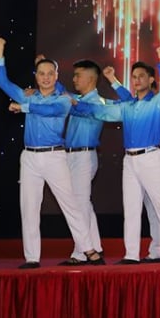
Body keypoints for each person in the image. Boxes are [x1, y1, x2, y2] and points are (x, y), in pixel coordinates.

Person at [0, 37, 104, 269]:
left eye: (50, 74)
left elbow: (49, 110)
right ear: (36, 76)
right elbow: (3, 82)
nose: (45, 77)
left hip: (54, 157)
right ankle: (32, 257)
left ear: (56, 76)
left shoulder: (63, 100)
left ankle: (89, 249)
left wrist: (23, 107)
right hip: (30, 157)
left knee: (70, 204)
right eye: (41, 73)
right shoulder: (29, 95)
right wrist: (0, 51)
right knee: (29, 207)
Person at [74, 48, 160, 264]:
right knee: (131, 207)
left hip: (151, 158)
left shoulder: (157, 102)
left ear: (151, 80)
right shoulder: (127, 106)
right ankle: (131, 255)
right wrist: (77, 104)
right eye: (134, 77)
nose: (136, 80)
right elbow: (103, 112)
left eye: (141, 76)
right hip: (129, 160)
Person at [58, 59, 108, 266]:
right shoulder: (77, 99)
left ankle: (81, 252)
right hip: (70, 156)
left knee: (78, 204)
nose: (74, 79)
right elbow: (65, 96)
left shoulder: (98, 103)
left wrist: (66, 98)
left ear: (91, 78)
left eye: (78, 75)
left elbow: (79, 107)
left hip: (84, 157)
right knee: (83, 204)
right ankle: (95, 246)